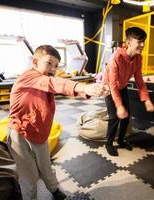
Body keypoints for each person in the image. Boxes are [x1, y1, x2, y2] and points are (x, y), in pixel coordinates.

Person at [7, 45, 109, 200]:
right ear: (35, 62)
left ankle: (54, 190)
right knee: (30, 176)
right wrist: (83, 86)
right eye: (49, 63)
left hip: (40, 132)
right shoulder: (28, 77)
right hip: (19, 133)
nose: (53, 69)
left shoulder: (45, 79)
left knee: (46, 168)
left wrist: (91, 91)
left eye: (56, 66)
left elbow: (61, 88)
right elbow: (54, 83)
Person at [103, 27, 154, 156]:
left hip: (123, 86)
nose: (142, 45)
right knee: (115, 116)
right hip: (109, 88)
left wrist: (146, 99)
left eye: (144, 41)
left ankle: (121, 140)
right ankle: (108, 143)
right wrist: (119, 106)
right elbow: (113, 84)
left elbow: (139, 80)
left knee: (127, 115)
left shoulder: (138, 58)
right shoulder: (116, 57)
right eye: (139, 41)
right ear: (129, 42)